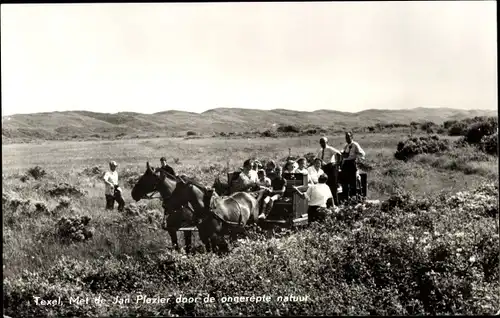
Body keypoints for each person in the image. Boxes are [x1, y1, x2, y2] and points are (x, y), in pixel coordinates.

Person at [340, 131, 366, 201]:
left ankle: (354, 198)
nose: (347, 139)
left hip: (352, 163)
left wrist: (356, 157)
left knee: (353, 182)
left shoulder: (355, 144)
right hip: (345, 164)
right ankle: (347, 198)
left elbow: (362, 153)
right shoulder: (346, 146)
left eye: (348, 137)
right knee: (345, 182)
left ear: (352, 137)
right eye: (346, 137)